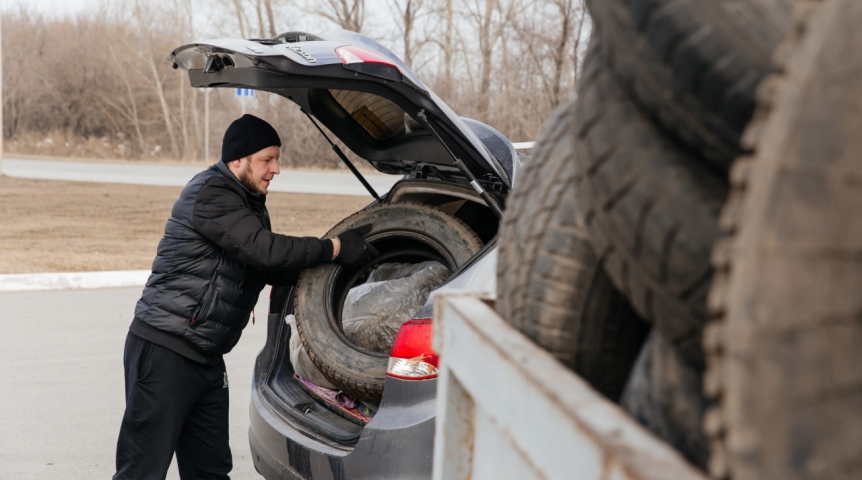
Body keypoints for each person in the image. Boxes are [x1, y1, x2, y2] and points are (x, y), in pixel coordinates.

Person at [113, 114, 377, 479]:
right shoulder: (211, 194)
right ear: (239, 159)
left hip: (205, 357)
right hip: (165, 352)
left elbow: (266, 267)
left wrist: (342, 268)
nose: (276, 169)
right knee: (141, 471)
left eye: (276, 159)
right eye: (267, 159)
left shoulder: (248, 203)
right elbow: (263, 250)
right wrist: (333, 247)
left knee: (211, 470)